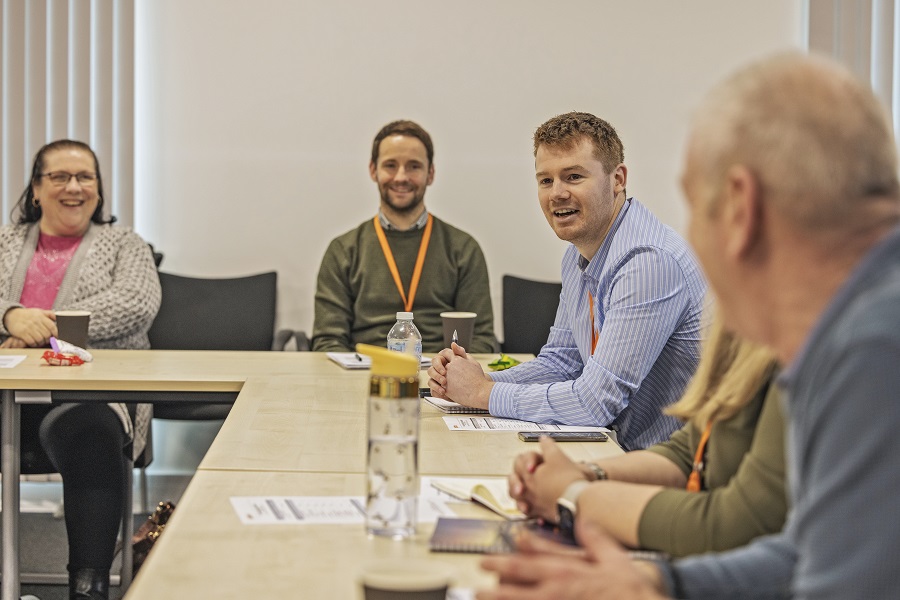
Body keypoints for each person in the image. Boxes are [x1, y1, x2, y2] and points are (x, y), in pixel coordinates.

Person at [477, 53, 900, 600]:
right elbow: (796, 551)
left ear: (741, 209)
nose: (690, 242)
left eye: (695, 205)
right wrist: (658, 581)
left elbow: (763, 535)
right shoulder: (840, 318)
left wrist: (578, 499)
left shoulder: (869, 346)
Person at [428, 112, 707, 450]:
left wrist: (482, 393)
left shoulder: (648, 262)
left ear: (617, 179)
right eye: (545, 180)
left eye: (573, 176)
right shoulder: (579, 255)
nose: (556, 194)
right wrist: (480, 379)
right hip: (618, 452)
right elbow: (561, 363)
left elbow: (595, 403)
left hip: (675, 473)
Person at [0, 140, 161, 600]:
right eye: (59, 177)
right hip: (9, 393)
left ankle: (88, 589)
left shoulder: (124, 243)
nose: (74, 187)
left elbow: (135, 303)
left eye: (85, 177)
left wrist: (38, 326)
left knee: (91, 431)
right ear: (36, 189)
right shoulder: (5, 242)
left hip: (89, 396)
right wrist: (11, 315)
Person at [508, 316, 785, 557]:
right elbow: (689, 452)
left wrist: (573, 496)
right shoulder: (747, 321)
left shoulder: (805, 343)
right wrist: (583, 473)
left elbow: (739, 525)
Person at [311, 119, 496, 353]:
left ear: (430, 173)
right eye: (390, 165)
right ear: (372, 170)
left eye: (413, 166)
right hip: (365, 377)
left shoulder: (463, 249)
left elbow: (482, 339)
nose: (401, 177)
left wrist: (449, 373)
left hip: (441, 380)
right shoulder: (343, 250)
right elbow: (327, 341)